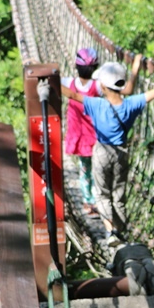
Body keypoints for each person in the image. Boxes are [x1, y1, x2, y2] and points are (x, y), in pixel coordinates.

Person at [68, 55, 154, 247]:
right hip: (122, 152)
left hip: (101, 152)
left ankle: (110, 232)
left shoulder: (96, 104)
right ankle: (121, 232)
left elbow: (72, 95)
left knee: (102, 194)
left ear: (104, 87)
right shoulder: (131, 104)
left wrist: (49, 82)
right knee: (119, 195)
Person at [60, 48, 101, 218]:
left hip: (78, 136)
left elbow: (52, 79)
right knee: (97, 170)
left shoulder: (68, 82)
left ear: (76, 67)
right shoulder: (97, 86)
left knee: (84, 169)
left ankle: (87, 201)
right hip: (96, 137)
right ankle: (96, 201)